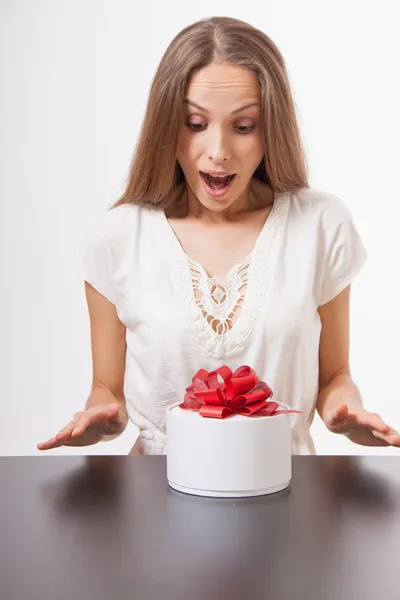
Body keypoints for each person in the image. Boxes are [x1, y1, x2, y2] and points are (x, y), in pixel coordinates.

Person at [38, 16, 400, 455]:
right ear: (167, 128)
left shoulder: (321, 225)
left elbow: (334, 377)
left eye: (244, 126)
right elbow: (106, 389)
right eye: (195, 124)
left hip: (283, 494)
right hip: (159, 498)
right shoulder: (118, 236)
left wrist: (346, 412)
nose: (219, 151)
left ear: (271, 130)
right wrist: (102, 417)